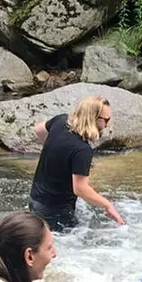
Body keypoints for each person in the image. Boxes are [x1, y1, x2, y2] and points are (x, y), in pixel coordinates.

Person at [28, 94, 124, 229]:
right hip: (56, 212)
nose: (108, 124)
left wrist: (54, 150)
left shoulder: (60, 121)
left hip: (35, 199)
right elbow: (80, 188)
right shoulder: (82, 150)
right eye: (106, 120)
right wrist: (107, 205)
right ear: (92, 118)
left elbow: (38, 130)